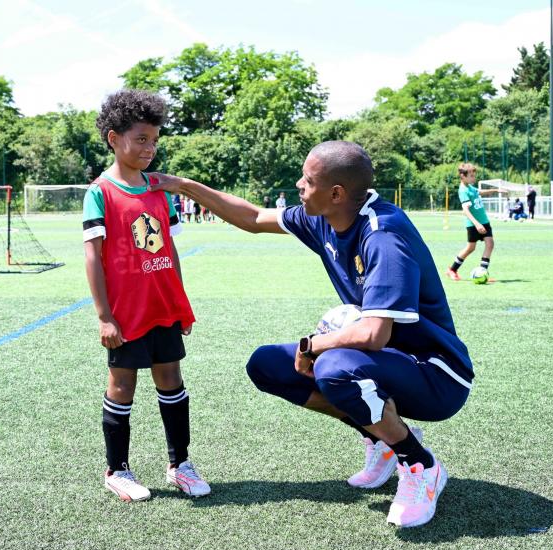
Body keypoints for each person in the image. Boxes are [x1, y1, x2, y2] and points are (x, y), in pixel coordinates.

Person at [150, 141, 474, 528]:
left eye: (308, 179)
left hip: (436, 375)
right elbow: (254, 217)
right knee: (267, 365)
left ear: (336, 193)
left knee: (334, 368)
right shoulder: (324, 216)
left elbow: (374, 333)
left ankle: (419, 463)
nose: (299, 185)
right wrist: (183, 186)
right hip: (384, 362)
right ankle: (384, 440)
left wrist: (312, 345)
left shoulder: (383, 235)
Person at [83, 89, 210, 502]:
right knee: (123, 385)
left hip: (163, 307)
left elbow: (169, 251)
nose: (149, 148)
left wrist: (181, 303)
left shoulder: (160, 191)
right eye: (141, 139)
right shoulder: (100, 192)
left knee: (171, 379)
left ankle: (180, 465)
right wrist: (105, 317)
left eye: (154, 140)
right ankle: (117, 469)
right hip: (126, 313)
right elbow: (93, 257)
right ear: (114, 138)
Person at [445, 163, 507, 281]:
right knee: (470, 248)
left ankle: (483, 272)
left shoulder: (470, 187)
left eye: (474, 175)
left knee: (490, 244)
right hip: (474, 224)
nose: (474, 178)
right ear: (463, 176)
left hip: (484, 222)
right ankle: (452, 270)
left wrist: (496, 190)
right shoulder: (463, 191)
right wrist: (477, 224)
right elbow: (466, 210)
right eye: (471, 176)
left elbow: (480, 192)